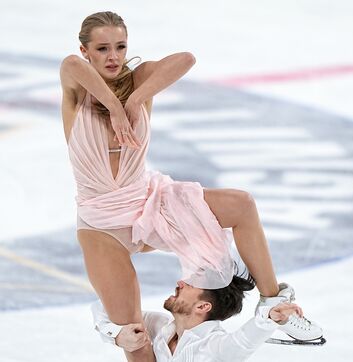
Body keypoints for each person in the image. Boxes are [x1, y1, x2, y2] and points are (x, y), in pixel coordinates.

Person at [60, 11, 322, 361]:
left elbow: (185, 59)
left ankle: (273, 299)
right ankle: (228, 264)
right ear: (86, 50)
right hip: (103, 226)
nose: (113, 56)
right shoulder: (77, 89)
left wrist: (135, 100)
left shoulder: (139, 81)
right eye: (103, 48)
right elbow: (70, 65)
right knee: (134, 338)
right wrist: (113, 106)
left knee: (241, 205)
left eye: (120, 47)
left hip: (149, 205)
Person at [92, 275, 305, 361]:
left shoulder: (213, 346)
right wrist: (117, 335)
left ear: (203, 306)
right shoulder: (158, 326)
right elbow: (103, 307)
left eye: (191, 285)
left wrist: (269, 319)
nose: (181, 283)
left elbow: (241, 343)